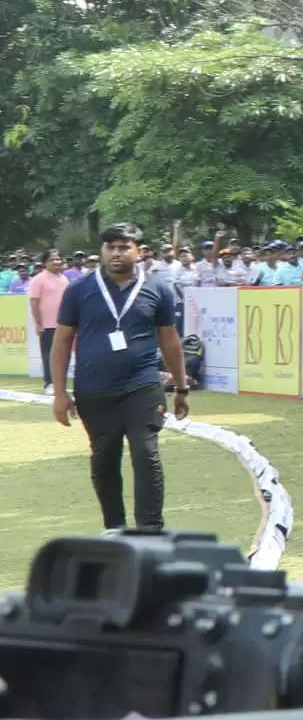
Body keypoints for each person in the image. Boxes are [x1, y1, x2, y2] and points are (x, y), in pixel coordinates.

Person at [48, 223, 190, 530]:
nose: (116, 253)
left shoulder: (158, 289)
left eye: (124, 247)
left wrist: (181, 387)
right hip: (94, 391)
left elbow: (170, 341)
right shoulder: (78, 290)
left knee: (146, 452)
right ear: (102, 250)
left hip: (143, 386)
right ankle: (115, 530)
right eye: (110, 247)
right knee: (104, 460)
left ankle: (150, 530)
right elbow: (61, 343)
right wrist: (59, 393)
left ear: (139, 252)